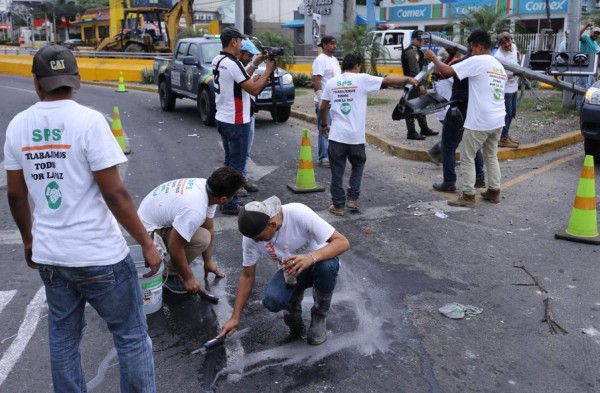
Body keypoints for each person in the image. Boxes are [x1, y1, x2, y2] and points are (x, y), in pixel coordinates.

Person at [4, 44, 161, 392]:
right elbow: (115, 193)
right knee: (131, 336)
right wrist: (147, 243)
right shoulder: (89, 121)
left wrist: (30, 240)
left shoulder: (18, 127)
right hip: (99, 255)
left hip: (50, 255)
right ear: (76, 80)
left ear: (36, 83)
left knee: (63, 339)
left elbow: (16, 194)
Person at [217, 196, 350, 345]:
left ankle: (319, 316)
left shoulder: (298, 213)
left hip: (319, 261)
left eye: (260, 238)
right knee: (272, 300)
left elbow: (342, 242)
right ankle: (293, 312)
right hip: (291, 272)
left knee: (327, 266)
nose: (256, 242)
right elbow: (247, 276)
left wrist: (310, 257)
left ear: (272, 224)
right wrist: (235, 317)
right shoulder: (251, 237)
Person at [320, 53, 418, 216]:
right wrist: (407, 79)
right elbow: (387, 81)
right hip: (355, 137)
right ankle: (352, 199)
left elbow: (323, 107)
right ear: (357, 66)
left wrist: (324, 124)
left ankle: (338, 205)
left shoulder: (331, 83)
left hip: (337, 136)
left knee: (337, 171)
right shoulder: (362, 79)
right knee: (357, 166)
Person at [425, 29, 506, 208]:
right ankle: (494, 191)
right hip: (498, 119)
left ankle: (468, 196)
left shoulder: (477, 60)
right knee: (491, 155)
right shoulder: (498, 65)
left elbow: (446, 71)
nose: (471, 51)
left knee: (468, 157)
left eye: (471, 47)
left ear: (477, 46)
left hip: (480, 121)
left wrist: (433, 58)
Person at [137, 167, 244, 296]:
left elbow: (209, 227)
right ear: (224, 199)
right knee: (201, 239)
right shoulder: (195, 209)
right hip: (146, 232)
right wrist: (189, 278)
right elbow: (175, 246)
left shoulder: (208, 188)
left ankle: (173, 268)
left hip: (149, 219)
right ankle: (169, 275)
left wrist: (208, 261)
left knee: (204, 234)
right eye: (233, 196)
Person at [212, 26, 275, 215]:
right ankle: (230, 205)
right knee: (237, 168)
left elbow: (239, 79)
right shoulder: (233, 63)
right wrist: (268, 71)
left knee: (229, 162)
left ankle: (223, 198)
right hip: (237, 121)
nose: (241, 44)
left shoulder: (219, 60)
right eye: (240, 40)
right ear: (234, 42)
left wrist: (255, 63)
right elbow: (254, 89)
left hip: (222, 118)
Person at [430, 49, 486, 193]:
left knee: (448, 146)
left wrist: (433, 57)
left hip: (460, 109)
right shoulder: (486, 65)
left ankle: (449, 182)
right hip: (476, 109)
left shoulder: (463, 63)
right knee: (474, 145)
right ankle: (479, 178)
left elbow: (442, 73)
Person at [236, 38, 265, 196]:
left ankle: (242, 179)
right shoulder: (237, 68)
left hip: (249, 113)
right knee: (238, 152)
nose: (250, 59)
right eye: (248, 56)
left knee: (245, 150)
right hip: (239, 116)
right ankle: (237, 183)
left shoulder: (244, 68)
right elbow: (250, 89)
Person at [426, 46, 461, 165]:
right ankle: (435, 152)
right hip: (447, 110)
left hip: (442, 109)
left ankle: (446, 157)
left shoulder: (436, 71)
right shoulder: (446, 73)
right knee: (454, 137)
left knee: (452, 136)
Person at [401, 30, 438, 140]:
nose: (422, 42)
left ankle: (424, 128)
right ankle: (411, 131)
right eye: (419, 39)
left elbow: (423, 67)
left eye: (422, 40)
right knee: (411, 107)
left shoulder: (418, 51)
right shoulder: (411, 52)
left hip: (417, 83)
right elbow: (414, 71)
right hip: (413, 83)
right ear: (413, 39)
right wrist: (420, 84)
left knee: (421, 106)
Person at [312, 35, 341, 168]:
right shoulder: (320, 60)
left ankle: (332, 155)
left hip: (336, 100)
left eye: (335, 44)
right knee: (324, 128)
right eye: (331, 44)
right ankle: (324, 157)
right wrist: (319, 97)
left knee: (334, 129)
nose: (334, 46)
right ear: (324, 45)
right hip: (325, 100)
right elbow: (317, 79)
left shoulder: (334, 59)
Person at [494, 32, 521, 149]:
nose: (507, 44)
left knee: (512, 112)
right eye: (504, 43)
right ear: (499, 44)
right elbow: (501, 75)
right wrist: (514, 73)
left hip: (514, 86)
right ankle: (502, 138)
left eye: (509, 41)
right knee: (507, 113)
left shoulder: (514, 47)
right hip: (505, 88)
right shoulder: (498, 57)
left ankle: (505, 135)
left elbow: (515, 58)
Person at [577, 22, 600, 109]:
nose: (596, 35)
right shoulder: (586, 38)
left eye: (598, 34)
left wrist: (597, 71)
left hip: (592, 68)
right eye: (595, 33)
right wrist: (586, 26)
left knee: (590, 87)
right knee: (583, 86)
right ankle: (580, 106)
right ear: (591, 32)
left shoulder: (595, 44)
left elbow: (597, 56)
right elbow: (578, 36)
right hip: (584, 66)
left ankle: (586, 105)